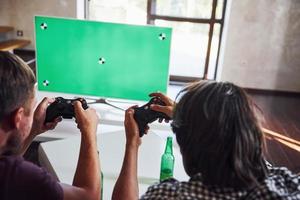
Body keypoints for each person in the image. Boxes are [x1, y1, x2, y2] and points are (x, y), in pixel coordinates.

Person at [112, 80, 300, 199]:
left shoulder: (169, 195)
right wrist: (190, 117)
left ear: (187, 149)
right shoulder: (286, 183)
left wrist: (132, 143)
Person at [0, 51, 101, 200]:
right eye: (30, 109)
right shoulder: (25, 177)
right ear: (18, 117)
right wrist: (89, 132)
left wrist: (33, 128)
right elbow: (87, 196)